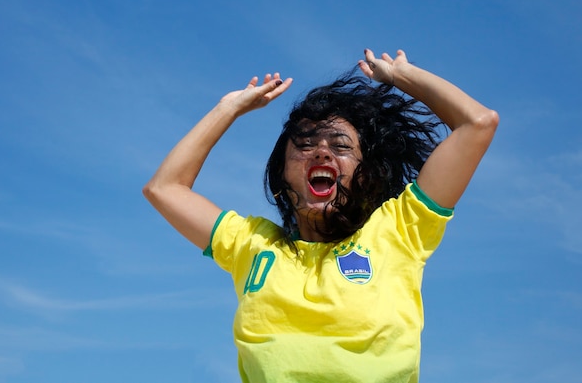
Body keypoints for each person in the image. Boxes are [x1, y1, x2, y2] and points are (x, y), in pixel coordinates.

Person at [143, 48, 499, 383]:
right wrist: (227, 109)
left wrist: (401, 75)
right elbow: (164, 188)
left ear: (367, 174)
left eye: (341, 145)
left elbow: (478, 124)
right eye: (305, 144)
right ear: (281, 173)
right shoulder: (252, 245)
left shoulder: (400, 230)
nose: (321, 153)